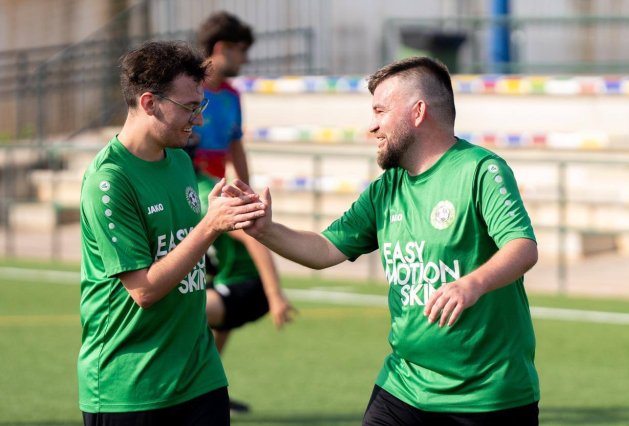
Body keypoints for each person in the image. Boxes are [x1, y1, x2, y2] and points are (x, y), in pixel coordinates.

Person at [226, 56, 540, 426]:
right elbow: (325, 249)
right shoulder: (386, 189)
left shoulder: (480, 170)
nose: (372, 126)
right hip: (404, 385)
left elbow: (522, 246)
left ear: (418, 112)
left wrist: (472, 284)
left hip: (487, 396)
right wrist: (266, 230)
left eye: (380, 111)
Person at [77, 40, 265, 426]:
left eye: (201, 106)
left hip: (201, 377)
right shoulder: (109, 181)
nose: (199, 120)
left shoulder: (180, 161)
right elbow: (144, 291)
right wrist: (210, 225)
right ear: (149, 103)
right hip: (130, 388)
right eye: (190, 107)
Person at [185, 142, 296, 415]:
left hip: (248, 287)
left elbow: (253, 240)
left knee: (182, 309)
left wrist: (274, 295)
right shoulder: (188, 189)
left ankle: (195, 392)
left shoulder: (201, 195)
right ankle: (206, 392)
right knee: (207, 326)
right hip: (224, 279)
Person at [192, 11, 254, 183]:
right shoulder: (186, 90)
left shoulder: (232, 96)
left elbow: (236, 145)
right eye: (242, 50)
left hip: (215, 188)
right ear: (221, 48)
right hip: (185, 186)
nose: (245, 59)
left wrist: (248, 192)